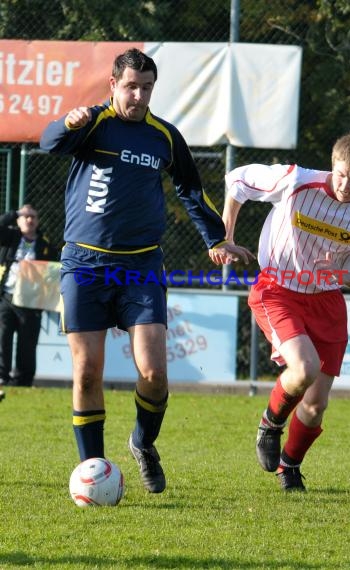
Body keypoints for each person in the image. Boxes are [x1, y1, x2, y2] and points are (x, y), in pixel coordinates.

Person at [39, 47, 253, 494]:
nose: (138, 96)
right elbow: (49, 143)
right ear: (113, 85)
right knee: (86, 371)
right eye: (131, 86)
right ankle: (93, 470)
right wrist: (68, 123)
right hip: (84, 263)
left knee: (154, 373)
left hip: (141, 265)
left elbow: (191, 189)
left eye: (147, 87)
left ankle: (142, 442)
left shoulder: (164, 137)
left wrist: (216, 238)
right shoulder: (94, 123)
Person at [223, 133, 350, 492]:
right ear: (333, 165)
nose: (346, 185)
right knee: (304, 368)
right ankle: (270, 424)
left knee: (316, 405)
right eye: (341, 174)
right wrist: (225, 237)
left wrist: (342, 275)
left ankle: (290, 466)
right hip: (278, 290)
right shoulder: (296, 180)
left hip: (327, 301)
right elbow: (237, 180)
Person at [0, 205, 57, 387]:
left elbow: (54, 270)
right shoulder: (9, 237)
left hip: (32, 301)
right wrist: (14, 213)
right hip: (6, 297)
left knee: (27, 343)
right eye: (25, 216)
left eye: (33, 217)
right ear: (18, 220)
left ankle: (23, 380)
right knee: (2, 338)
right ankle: (2, 376)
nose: (29, 220)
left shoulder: (45, 244)